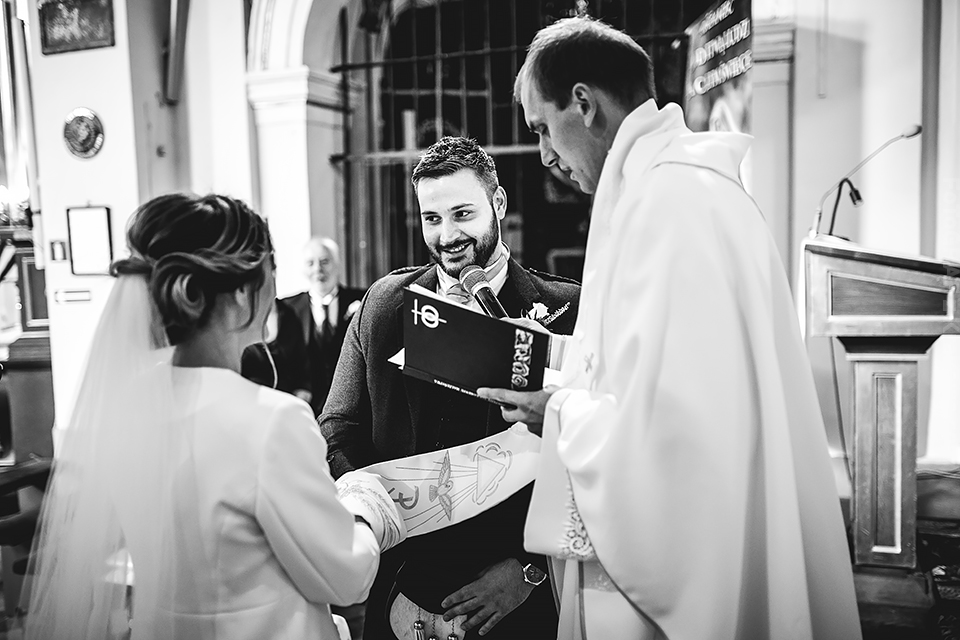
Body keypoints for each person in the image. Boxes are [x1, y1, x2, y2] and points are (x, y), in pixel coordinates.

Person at [476, 17, 862, 640]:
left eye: (543, 128)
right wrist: (560, 361)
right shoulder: (676, 190)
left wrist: (560, 413)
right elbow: (657, 372)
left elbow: (675, 436)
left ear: (584, 103)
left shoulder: (667, 205)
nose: (544, 154)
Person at [24, 193, 404, 640]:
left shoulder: (128, 405)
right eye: (272, 269)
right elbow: (346, 578)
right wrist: (366, 504)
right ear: (243, 292)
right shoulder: (270, 422)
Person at [319, 136, 580, 640]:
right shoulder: (384, 305)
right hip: (399, 584)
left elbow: (592, 461)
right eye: (432, 219)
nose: (447, 235)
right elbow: (338, 427)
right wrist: (375, 521)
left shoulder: (567, 310)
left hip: (514, 606)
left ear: (498, 203)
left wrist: (531, 571)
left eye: (462, 214)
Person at [284, 237, 365, 415]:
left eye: (324, 261)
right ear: (303, 269)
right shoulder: (287, 308)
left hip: (352, 407)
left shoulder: (363, 300)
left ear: (337, 264)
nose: (318, 269)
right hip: (305, 409)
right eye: (310, 263)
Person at [240, 297, 312, 402]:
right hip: (250, 401)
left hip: (287, 401)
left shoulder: (289, 314)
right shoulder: (237, 319)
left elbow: (300, 364)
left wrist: (302, 391)